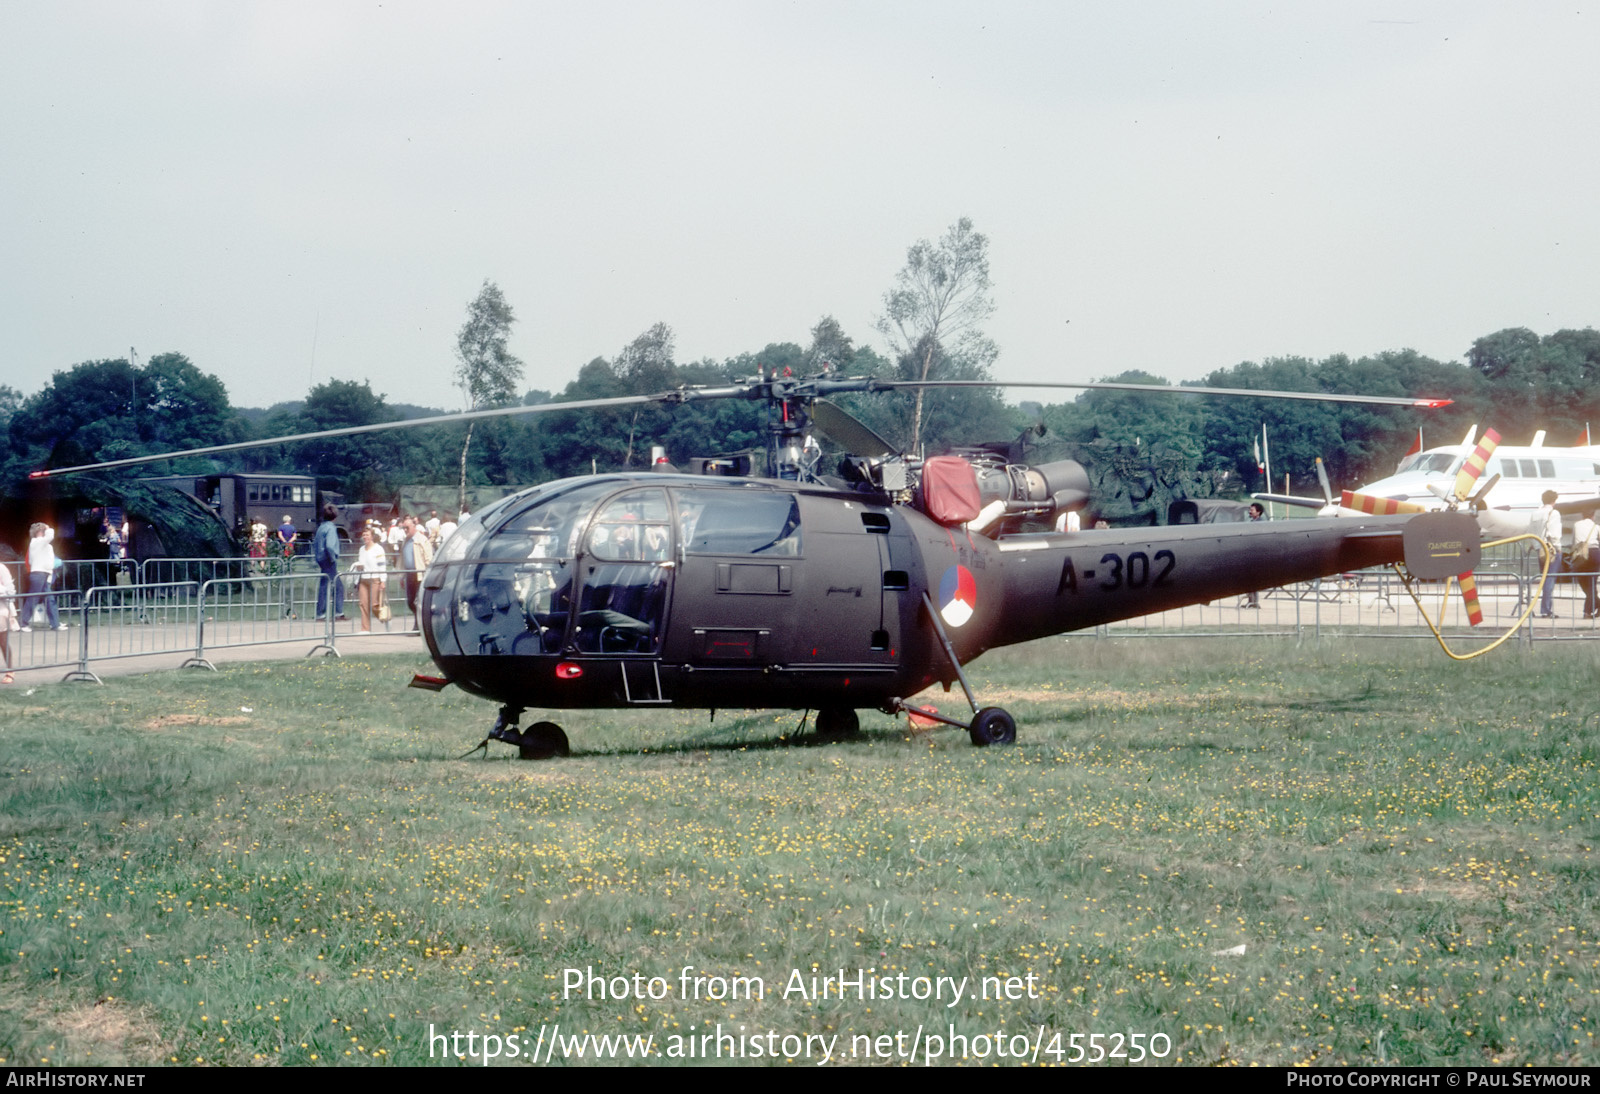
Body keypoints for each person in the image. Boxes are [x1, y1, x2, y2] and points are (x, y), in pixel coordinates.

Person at [21, 523, 65, 632]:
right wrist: (48, 527)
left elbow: (31, 560)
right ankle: (22, 623)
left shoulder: (41, 544)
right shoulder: (37, 542)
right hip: (39, 573)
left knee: (49, 599)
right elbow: (50, 536)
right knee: (34, 598)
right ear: (40, 531)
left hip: (42, 572)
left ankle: (55, 624)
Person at [312, 504, 347, 622]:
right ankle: (336, 613)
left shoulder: (321, 527)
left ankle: (325, 613)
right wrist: (333, 558)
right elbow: (330, 546)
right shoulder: (331, 528)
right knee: (336, 587)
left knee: (327, 585)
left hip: (321, 559)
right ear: (335, 516)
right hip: (328, 560)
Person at [1533, 489, 1563, 618]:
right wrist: (1558, 547)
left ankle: (1545, 608)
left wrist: (1535, 546)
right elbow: (1554, 532)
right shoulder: (1553, 513)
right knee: (1550, 579)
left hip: (1539, 548)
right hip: (1550, 549)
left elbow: (1531, 531)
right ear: (1554, 500)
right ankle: (1546, 609)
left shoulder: (1535, 513)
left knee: (1544, 579)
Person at [353, 527, 388, 632]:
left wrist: (383, 580)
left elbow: (382, 565)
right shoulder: (361, 549)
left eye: (367, 535)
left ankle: (385, 617)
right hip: (363, 579)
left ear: (372, 536)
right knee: (363, 604)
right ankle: (365, 629)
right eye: (363, 535)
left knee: (374, 605)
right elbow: (361, 563)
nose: (365, 537)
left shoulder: (378, 549)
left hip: (375, 579)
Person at [1573, 507, 1600, 619]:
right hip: (1594, 553)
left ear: (1582, 515)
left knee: (1583, 582)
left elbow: (1573, 540)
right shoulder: (1596, 527)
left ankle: (1588, 611)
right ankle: (1589, 610)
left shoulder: (1576, 525)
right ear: (1593, 516)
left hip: (1580, 554)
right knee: (1592, 583)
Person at [1243, 502, 1265, 608]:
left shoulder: (1261, 524)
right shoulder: (1252, 522)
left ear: (1258, 512)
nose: (1250, 512)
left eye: (1252, 510)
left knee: (1254, 579)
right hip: (1251, 554)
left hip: (1257, 555)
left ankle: (1254, 602)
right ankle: (1251, 601)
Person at [0, 561, 15, 683]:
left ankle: (10, 671)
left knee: (3, 641)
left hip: (1, 608)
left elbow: (11, 591)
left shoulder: (1, 568)